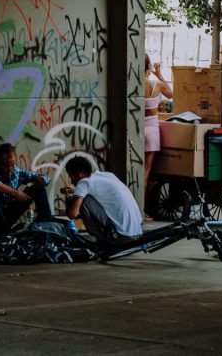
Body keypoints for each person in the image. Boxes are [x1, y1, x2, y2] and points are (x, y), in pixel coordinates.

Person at [0, 142, 52, 236]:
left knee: (38, 188)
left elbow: (43, 176)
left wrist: (43, 179)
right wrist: (14, 193)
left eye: (13, 165)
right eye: (6, 166)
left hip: (5, 219)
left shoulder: (15, 172)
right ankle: (5, 234)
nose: (10, 169)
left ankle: (47, 228)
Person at [63, 158, 142, 244]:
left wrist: (67, 199)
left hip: (122, 237)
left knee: (85, 200)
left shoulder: (83, 183)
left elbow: (72, 214)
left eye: (71, 177)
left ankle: (99, 239)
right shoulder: (108, 175)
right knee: (85, 198)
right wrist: (75, 193)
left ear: (79, 175)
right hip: (137, 234)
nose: (71, 181)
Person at [144, 54, 173, 215]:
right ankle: (142, 209)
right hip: (151, 130)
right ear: (149, 67)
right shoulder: (156, 85)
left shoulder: (132, 83)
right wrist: (159, 75)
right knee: (146, 172)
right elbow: (171, 95)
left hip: (136, 129)